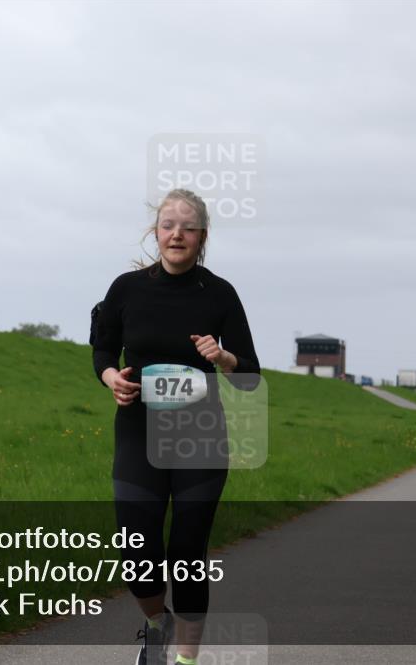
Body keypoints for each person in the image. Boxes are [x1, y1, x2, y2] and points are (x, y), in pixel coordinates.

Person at [92, 189, 261, 665]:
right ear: (156, 232)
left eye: (188, 227)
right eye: (168, 224)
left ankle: (185, 659)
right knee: (137, 555)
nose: (177, 234)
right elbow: (103, 351)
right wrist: (112, 380)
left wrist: (223, 357)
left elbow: (249, 378)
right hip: (138, 434)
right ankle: (154, 622)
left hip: (201, 437)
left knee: (187, 551)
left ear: (202, 236)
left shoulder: (221, 294)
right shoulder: (126, 289)